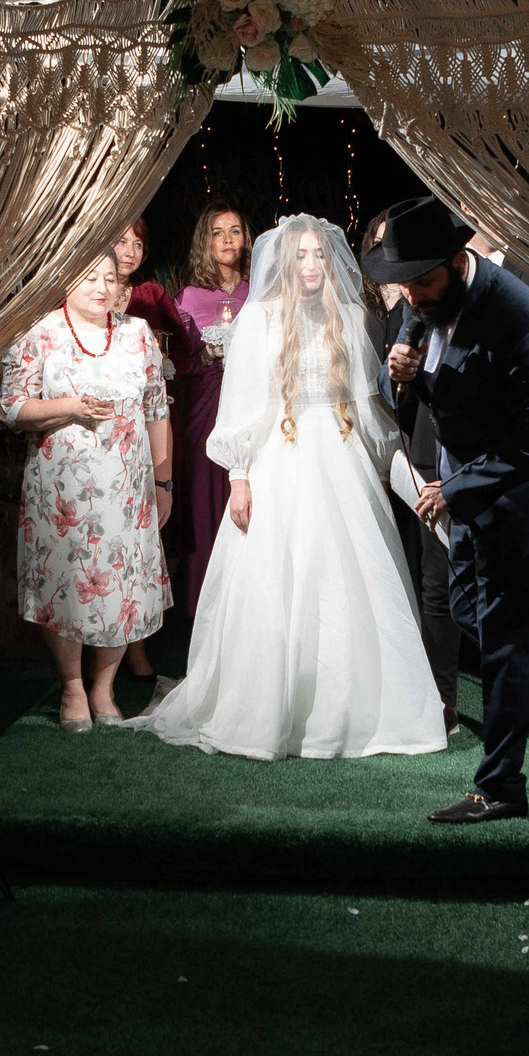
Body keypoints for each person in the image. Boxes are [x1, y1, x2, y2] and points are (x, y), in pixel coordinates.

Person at [130, 217, 446, 760]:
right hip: (280, 456)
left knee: (345, 578)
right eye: (300, 255)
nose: (311, 265)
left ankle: (349, 709)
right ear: (283, 262)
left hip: (341, 461)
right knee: (277, 576)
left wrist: (396, 471)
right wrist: (239, 475)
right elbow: (242, 404)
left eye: (319, 255)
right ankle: (271, 706)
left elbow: (369, 409)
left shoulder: (351, 317)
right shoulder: (260, 318)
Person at [366, 196, 529, 823]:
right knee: (469, 612)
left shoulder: (524, 316)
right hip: (468, 490)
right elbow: (405, 390)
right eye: (404, 285)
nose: (411, 298)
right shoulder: (426, 301)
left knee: (507, 640)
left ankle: (501, 786)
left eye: (421, 282)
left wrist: (454, 490)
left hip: (524, 495)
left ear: (458, 260)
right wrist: (397, 375)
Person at [0, 253, 174, 730]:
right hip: (62, 492)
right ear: (66, 279)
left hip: (127, 490)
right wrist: (70, 408)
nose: (101, 287)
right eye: (90, 277)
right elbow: (10, 408)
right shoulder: (40, 332)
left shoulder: (138, 334)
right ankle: (73, 687)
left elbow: (157, 411)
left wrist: (163, 482)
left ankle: (104, 688)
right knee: (65, 583)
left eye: (110, 278)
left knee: (123, 585)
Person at [365, 213, 460, 730]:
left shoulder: (488, 304)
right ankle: (443, 700)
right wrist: (399, 372)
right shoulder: (410, 310)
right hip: (426, 457)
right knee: (435, 585)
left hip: (482, 463)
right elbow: (387, 385)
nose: (409, 291)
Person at [110, 217, 185, 680]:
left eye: (138, 244)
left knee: (141, 544)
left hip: (148, 418)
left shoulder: (152, 295)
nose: (130, 251)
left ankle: (137, 649)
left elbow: (182, 346)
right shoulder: (78, 297)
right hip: (100, 428)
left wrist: (167, 360)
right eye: (121, 242)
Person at [172, 205, 252, 613]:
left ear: (246, 239)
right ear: (206, 241)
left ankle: (248, 604)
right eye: (217, 232)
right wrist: (204, 356)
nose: (227, 240)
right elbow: (174, 364)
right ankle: (204, 606)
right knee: (206, 504)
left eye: (235, 231)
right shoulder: (189, 297)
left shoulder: (259, 292)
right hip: (206, 410)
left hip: (252, 410)